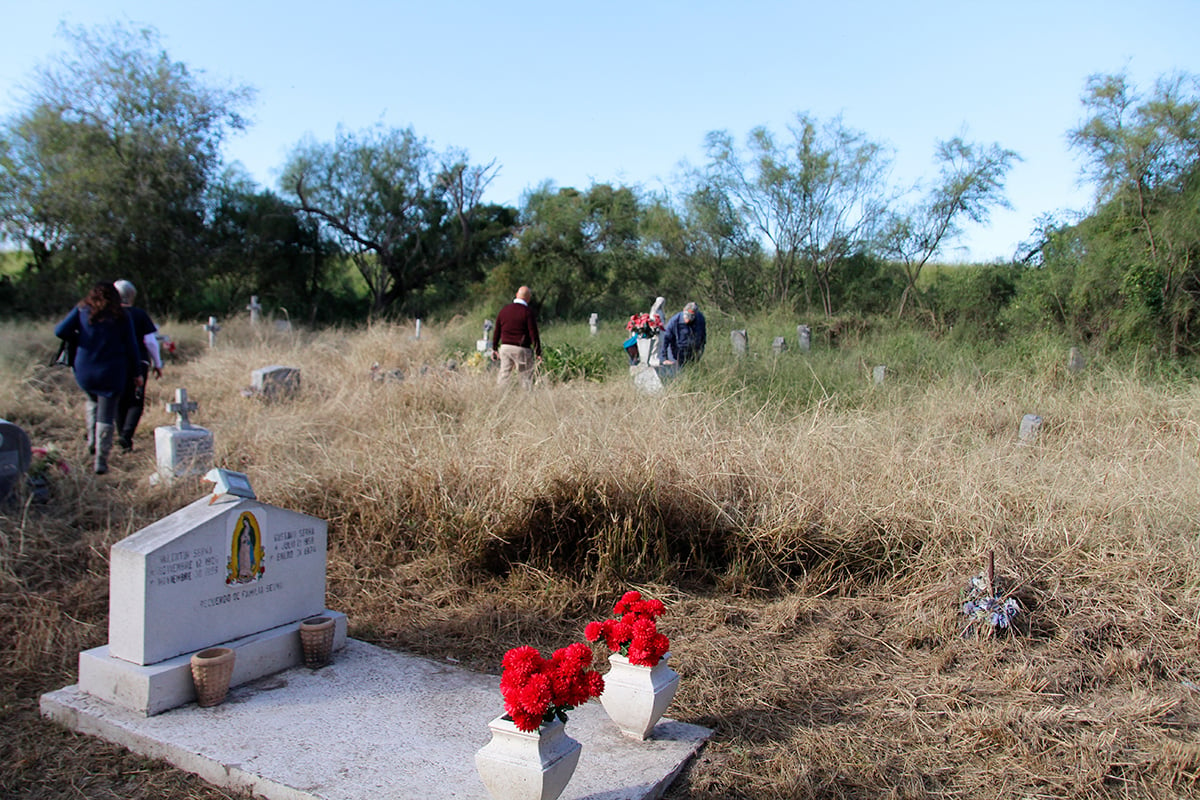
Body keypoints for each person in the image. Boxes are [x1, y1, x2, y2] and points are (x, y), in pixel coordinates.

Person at [54, 282, 143, 474]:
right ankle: (101, 460)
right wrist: (137, 373)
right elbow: (131, 346)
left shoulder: (82, 310)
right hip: (111, 371)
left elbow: (59, 331)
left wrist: (79, 338)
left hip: (85, 369)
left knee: (92, 401)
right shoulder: (121, 315)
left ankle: (92, 443)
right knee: (106, 413)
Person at [113, 279, 163, 452]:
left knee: (119, 400)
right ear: (132, 296)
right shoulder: (139, 314)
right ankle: (126, 436)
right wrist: (158, 363)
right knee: (136, 401)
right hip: (138, 363)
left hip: (114, 363)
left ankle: (123, 437)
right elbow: (150, 342)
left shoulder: (108, 314)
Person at [490, 285, 542, 388]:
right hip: (522, 349)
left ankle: (498, 398)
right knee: (525, 378)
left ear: (517, 295)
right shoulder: (527, 313)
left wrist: (494, 348)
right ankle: (525, 400)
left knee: (504, 375)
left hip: (505, 348)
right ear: (528, 298)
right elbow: (533, 334)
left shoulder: (504, 310)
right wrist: (538, 352)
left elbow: (497, 331)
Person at [660, 301, 707, 367]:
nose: (687, 320)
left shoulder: (700, 318)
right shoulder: (674, 321)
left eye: (691, 318)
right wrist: (665, 358)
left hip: (695, 353)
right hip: (678, 354)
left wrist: (701, 349)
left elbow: (703, 335)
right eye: (687, 317)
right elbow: (666, 339)